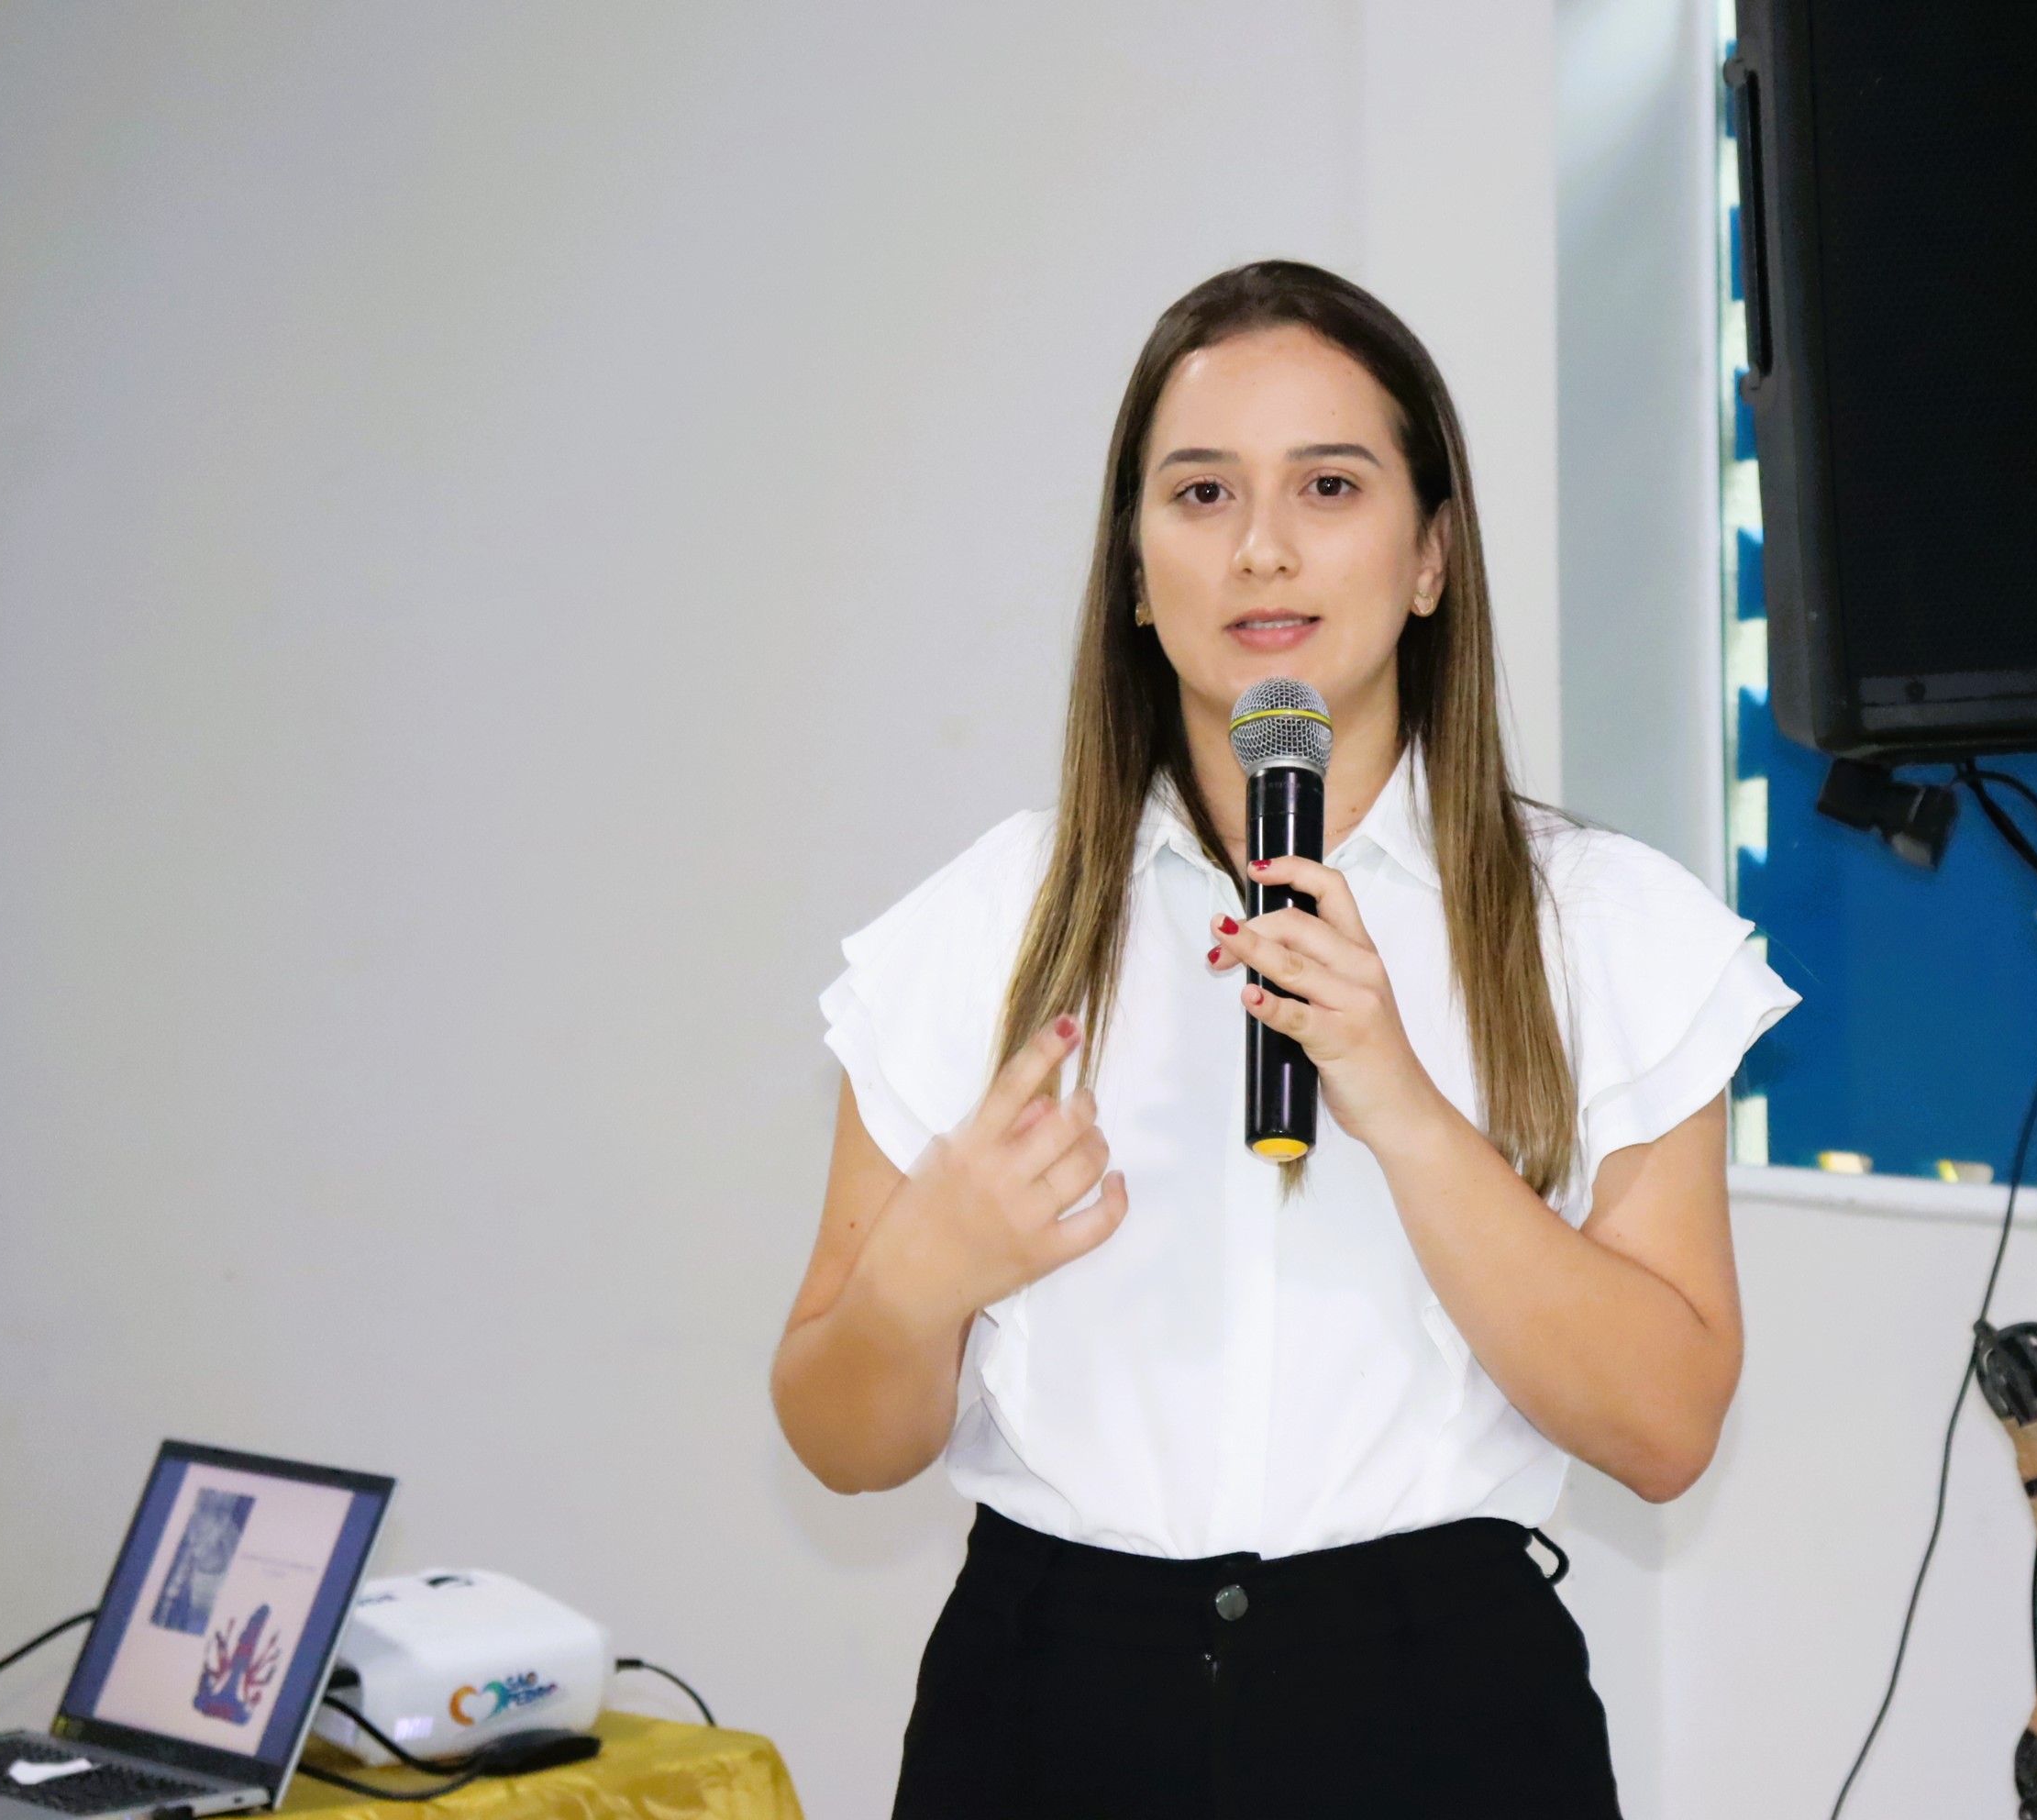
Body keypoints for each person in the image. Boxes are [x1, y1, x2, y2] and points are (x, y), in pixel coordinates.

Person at [769, 260, 1798, 1819]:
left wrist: (1399, 1098)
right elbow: (839, 1441)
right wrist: (929, 1274)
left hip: (1440, 1710)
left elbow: (1663, 1433)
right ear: (1131, 568)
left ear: (1432, 553)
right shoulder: (987, 923)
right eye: (1200, 493)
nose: (1262, 546)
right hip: (1047, 1707)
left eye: (1330, 484)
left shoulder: (1600, 926)